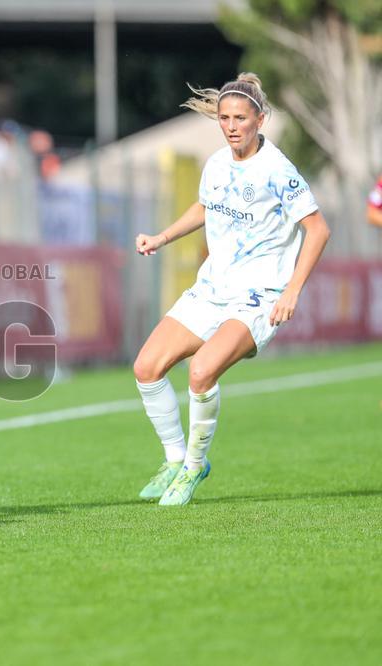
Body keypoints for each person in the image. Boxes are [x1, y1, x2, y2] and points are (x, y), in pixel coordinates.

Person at [132, 73, 330, 506]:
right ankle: (174, 459)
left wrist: (292, 291)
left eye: (241, 118)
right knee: (146, 367)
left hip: (257, 297)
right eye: (225, 118)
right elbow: (205, 207)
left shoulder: (277, 170)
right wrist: (162, 237)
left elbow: (317, 230)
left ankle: (193, 467)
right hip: (211, 288)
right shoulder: (218, 163)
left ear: (260, 119)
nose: (232, 126)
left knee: (201, 371)